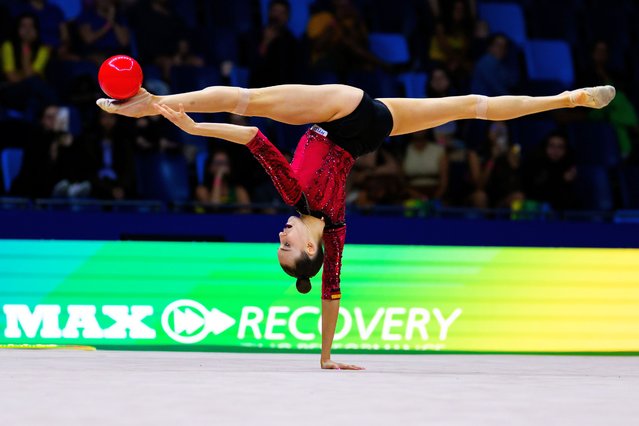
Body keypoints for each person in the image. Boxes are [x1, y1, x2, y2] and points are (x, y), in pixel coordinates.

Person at [97, 82, 615, 369]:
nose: (279, 235)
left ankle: (570, 99)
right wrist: (182, 120)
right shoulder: (312, 211)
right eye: (286, 245)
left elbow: (327, 292)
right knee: (247, 99)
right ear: (310, 247)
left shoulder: (330, 225)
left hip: (362, 128)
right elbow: (252, 133)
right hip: (347, 117)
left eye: (279, 242)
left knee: (473, 109)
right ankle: (568, 100)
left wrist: (325, 358)